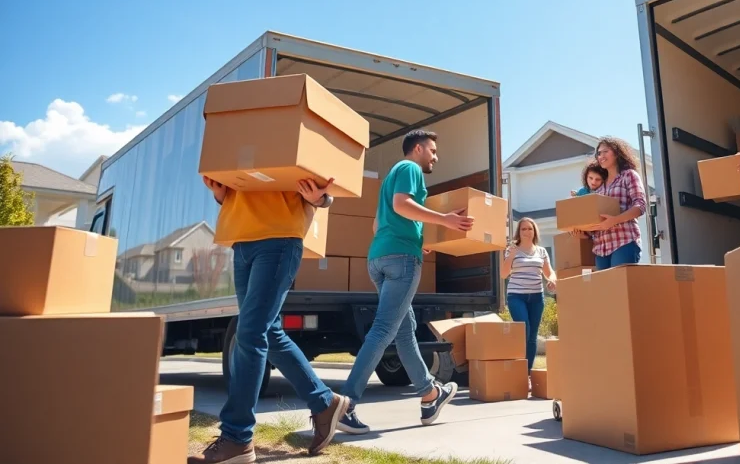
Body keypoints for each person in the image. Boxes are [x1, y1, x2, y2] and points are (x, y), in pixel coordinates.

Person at [190, 177, 346, 463]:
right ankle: (324, 402)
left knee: (249, 332)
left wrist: (322, 199)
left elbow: (328, 174)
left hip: (279, 237)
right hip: (242, 240)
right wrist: (220, 193)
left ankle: (237, 437)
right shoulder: (238, 149)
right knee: (268, 333)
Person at [336, 129, 472, 435]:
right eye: (433, 151)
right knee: (384, 330)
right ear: (418, 148)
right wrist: (445, 220)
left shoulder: (391, 176)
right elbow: (402, 205)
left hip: (379, 257)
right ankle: (345, 405)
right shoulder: (410, 168)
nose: (436, 157)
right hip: (401, 260)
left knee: (405, 331)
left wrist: (416, 238)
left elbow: (378, 224)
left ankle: (429, 395)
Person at [574, 137, 648, 270]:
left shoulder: (628, 175)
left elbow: (640, 206)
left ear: (617, 153)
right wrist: (585, 234)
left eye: (605, 151)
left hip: (624, 241)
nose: (601, 156)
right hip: (600, 249)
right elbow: (598, 222)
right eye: (599, 153)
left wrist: (615, 220)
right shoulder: (599, 187)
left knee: (620, 283)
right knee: (606, 284)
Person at [500, 218, 556, 374]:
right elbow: (503, 274)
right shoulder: (512, 250)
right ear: (519, 232)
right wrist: (511, 256)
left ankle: (527, 373)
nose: (526, 232)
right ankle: (515, 364)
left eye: (530, 228)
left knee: (532, 336)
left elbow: (549, 272)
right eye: (523, 229)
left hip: (537, 297)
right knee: (524, 329)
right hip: (517, 296)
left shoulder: (541, 251)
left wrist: (552, 280)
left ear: (534, 231)